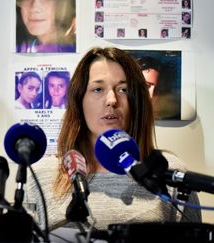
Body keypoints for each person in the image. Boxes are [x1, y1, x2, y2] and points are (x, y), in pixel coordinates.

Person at [26, 47, 201, 237]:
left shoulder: (170, 173)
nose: (111, 100)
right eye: (98, 89)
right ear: (79, 100)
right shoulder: (41, 175)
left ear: (137, 101)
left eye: (123, 90)